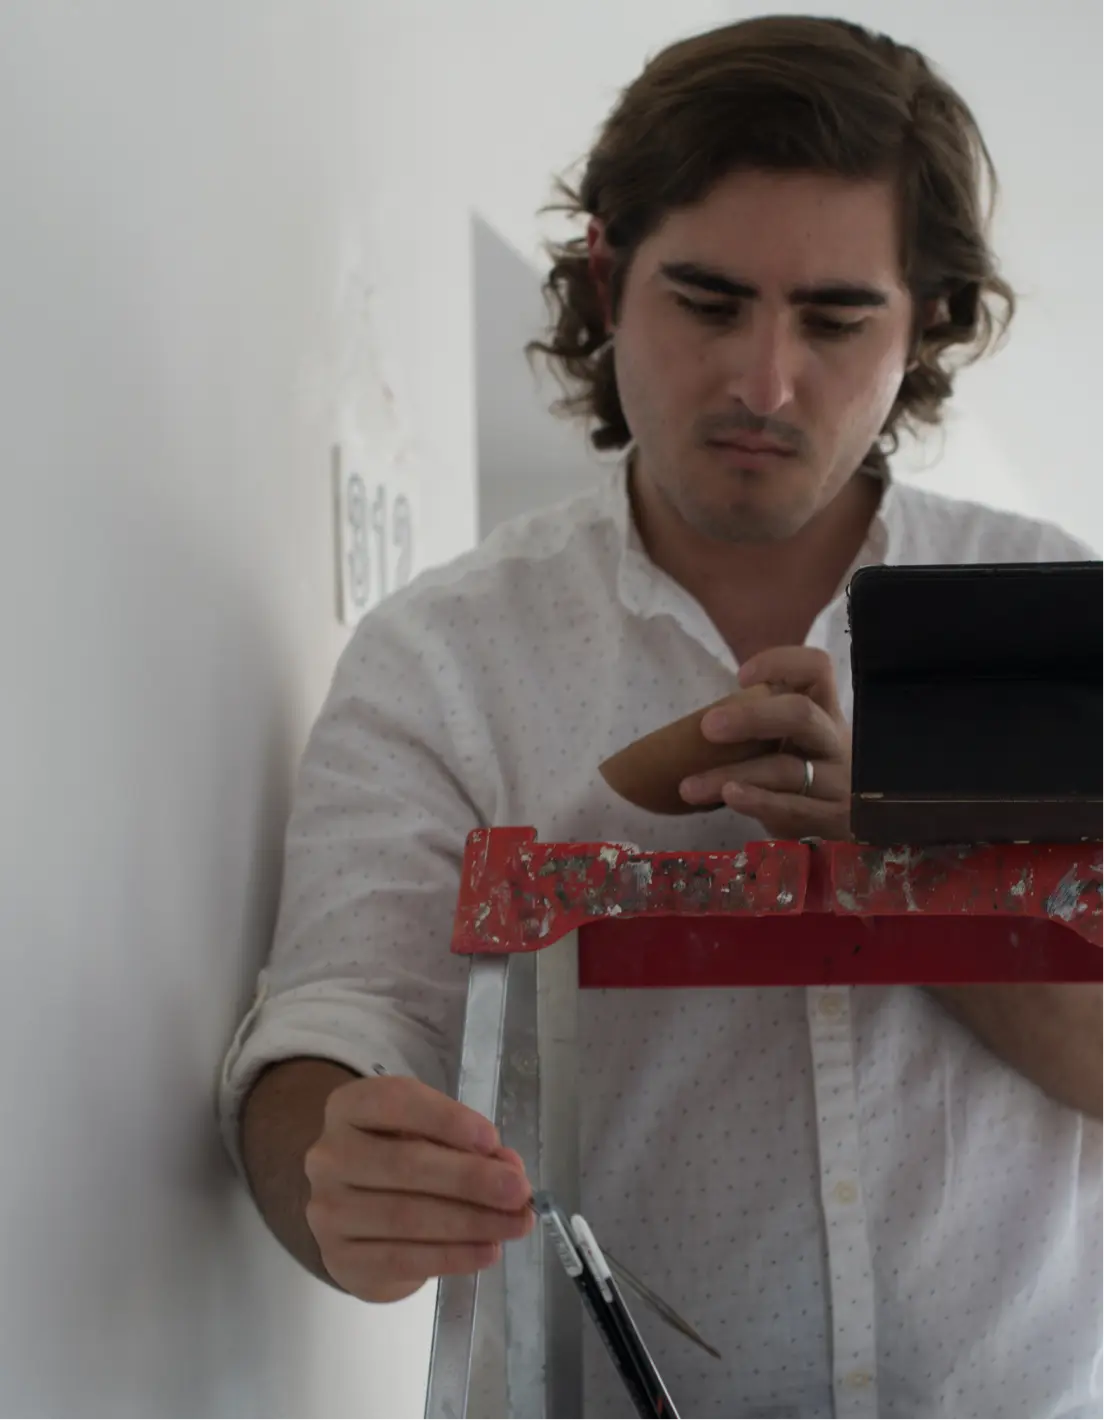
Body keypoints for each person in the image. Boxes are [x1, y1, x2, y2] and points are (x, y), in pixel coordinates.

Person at [221, 15, 1104, 1417]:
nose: (764, 382)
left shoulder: (1056, 626)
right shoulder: (443, 657)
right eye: (707, 302)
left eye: (835, 320)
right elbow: (335, 1029)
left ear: (927, 320)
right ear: (606, 274)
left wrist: (892, 864)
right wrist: (337, 1167)